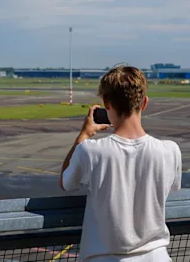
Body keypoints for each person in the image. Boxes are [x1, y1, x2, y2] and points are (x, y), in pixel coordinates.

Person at [59, 65, 182, 261]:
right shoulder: (170, 150)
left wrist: (84, 134)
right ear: (144, 103)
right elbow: (169, 190)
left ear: (106, 103)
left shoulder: (90, 150)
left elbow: (66, 182)